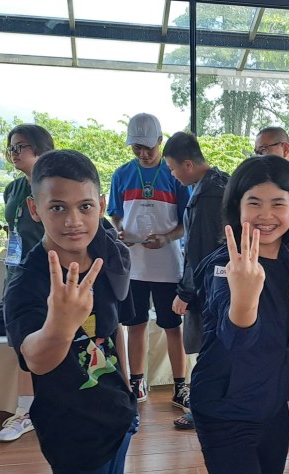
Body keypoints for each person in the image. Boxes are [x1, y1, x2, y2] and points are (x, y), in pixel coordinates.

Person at [4, 149, 137, 474]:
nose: (73, 221)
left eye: (85, 206)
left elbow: (111, 332)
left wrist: (129, 391)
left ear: (101, 205)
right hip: (75, 436)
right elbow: (35, 359)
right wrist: (60, 324)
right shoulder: (28, 283)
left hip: (116, 419)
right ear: (35, 209)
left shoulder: (102, 257)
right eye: (58, 207)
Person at [189, 155, 289, 474]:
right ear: (236, 208)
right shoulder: (225, 265)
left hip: (271, 413)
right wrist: (245, 297)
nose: (265, 215)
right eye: (253, 203)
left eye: (278, 203)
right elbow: (236, 338)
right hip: (226, 415)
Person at [108, 113, 192, 409]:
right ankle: (137, 381)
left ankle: (180, 386)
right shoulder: (121, 174)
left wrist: (167, 238)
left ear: (160, 140)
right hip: (134, 266)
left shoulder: (174, 174)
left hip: (168, 266)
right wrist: (120, 230)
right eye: (137, 148)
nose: (143, 154)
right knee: (136, 324)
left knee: (172, 326)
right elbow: (115, 213)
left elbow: (187, 221)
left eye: (149, 148)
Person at [163, 131, 229, 430]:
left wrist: (185, 293)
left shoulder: (207, 197)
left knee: (208, 351)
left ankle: (202, 409)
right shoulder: (220, 183)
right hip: (220, 285)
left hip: (209, 289)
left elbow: (200, 251)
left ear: (188, 164)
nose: (173, 175)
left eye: (173, 168)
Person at [0, 123, 55, 443]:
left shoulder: (54, 186)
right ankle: (26, 410)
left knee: (52, 338)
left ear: (41, 149)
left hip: (48, 275)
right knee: (21, 341)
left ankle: (51, 404)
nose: (14, 153)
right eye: (12, 148)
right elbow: (13, 232)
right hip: (16, 274)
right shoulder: (14, 189)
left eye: (21, 147)